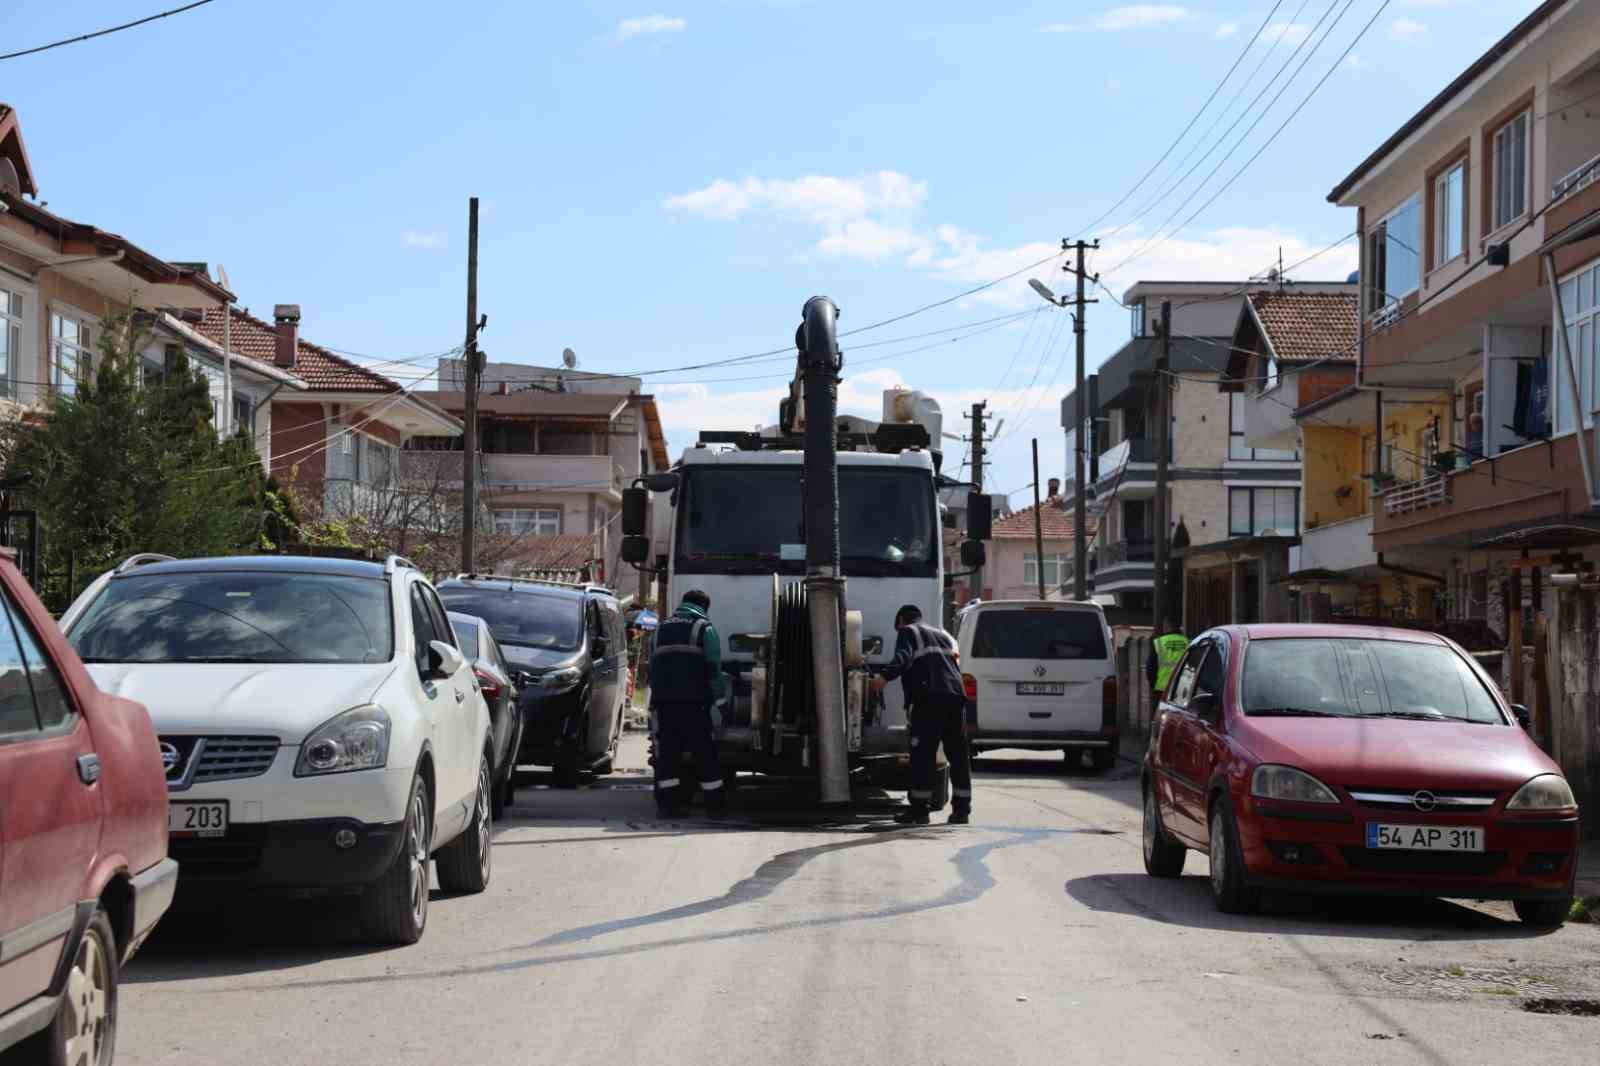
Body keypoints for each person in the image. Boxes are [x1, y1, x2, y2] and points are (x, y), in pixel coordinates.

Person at [870, 604, 972, 826]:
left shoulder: (909, 631)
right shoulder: (942, 636)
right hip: (956, 697)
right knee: (958, 755)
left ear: (901, 621)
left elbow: (904, 658)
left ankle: (919, 811)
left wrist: (883, 678)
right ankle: (962, 810)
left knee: (923, 754)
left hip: (930, 699)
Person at [649, 590, 726, 817]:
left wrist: (654, 702)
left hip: (664, 704)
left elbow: (652, 668)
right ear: (704, 607)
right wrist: (720, 703)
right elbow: (713, 668)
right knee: (704, 753)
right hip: (694, 704)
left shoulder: (660, 629)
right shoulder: (703, 627)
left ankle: (668, 806)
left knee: (669, 755)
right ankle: (715, 805)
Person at [1146, 619, 1188, 701]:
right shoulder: (1188, 642)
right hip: (1183, 689)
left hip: (1162, 689)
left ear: (1165, 627)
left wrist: (1154, 686)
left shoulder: (1159, 642)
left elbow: (1150, 669)